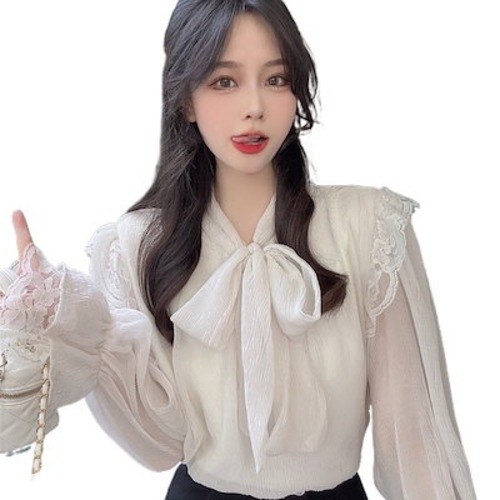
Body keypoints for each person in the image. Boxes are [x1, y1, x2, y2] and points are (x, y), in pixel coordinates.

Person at [0, 0, 477, 498]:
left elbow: (417, 440)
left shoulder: (367, 227)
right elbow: (156, 442)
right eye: (225, 81)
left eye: (275, 79)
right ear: (185, 100)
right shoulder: (136, 246)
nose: (254, 106)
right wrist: (56, 326)